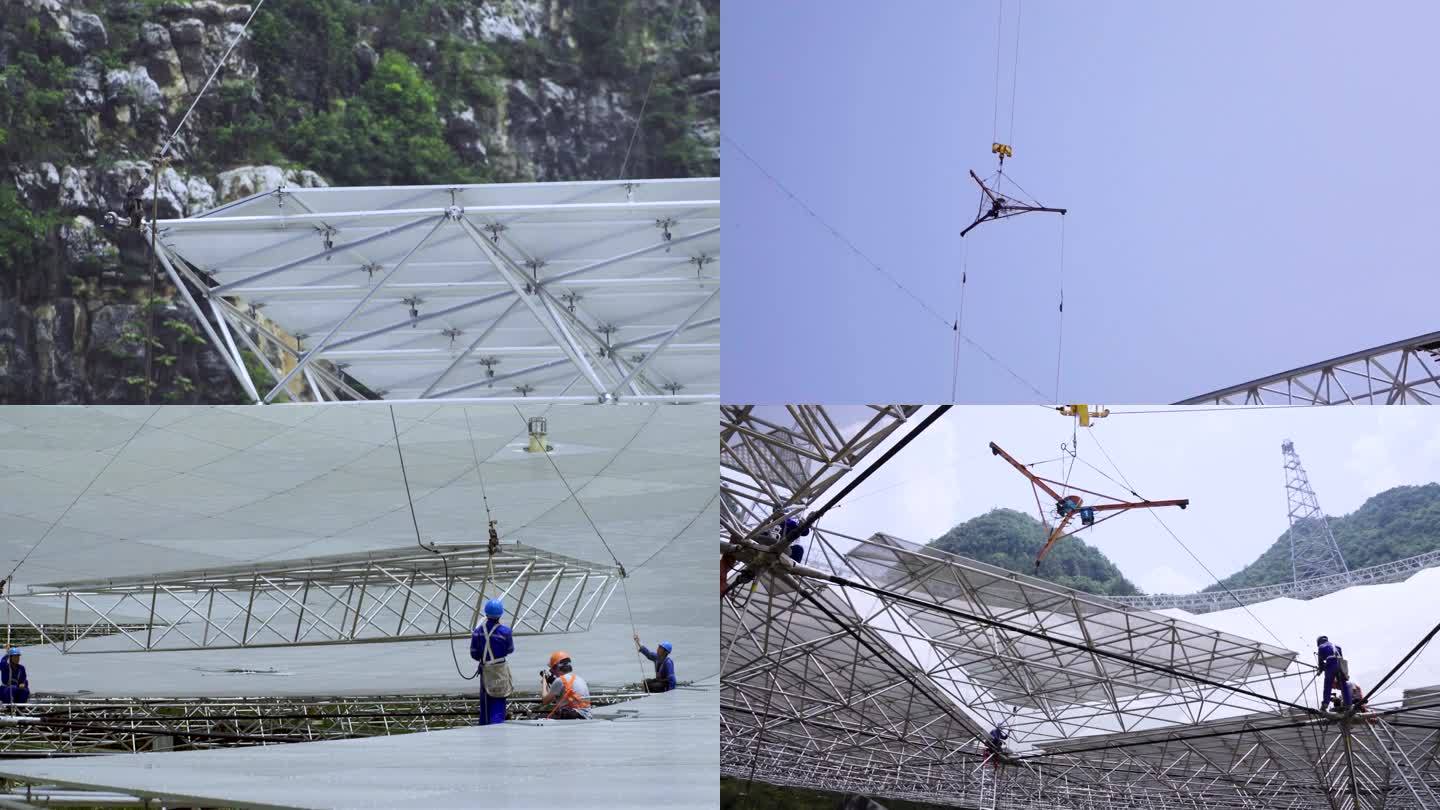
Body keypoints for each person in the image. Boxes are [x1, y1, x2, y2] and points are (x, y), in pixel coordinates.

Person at [469, 599, 513, 725]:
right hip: (500, 670)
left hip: (486, 670)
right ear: (500, 614)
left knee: (486, 704)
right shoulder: (506, 632)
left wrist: (484, 658)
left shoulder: (477, 632)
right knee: (499, 699)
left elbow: (473, 653)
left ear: (486, 613)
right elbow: (510, 649)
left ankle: (484, 728)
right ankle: (497, 728)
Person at [539, 651, 591, 720]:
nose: (552, 672)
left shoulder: (559, 681)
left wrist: (544, 682)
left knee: (538, 718)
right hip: (586, 715)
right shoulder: (579, 678)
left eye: (551, 670)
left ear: (555, 668)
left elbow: (545, 701)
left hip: (573, 715)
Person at [1317, 635, 1352, 712]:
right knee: (1343, 684)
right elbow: (1341, 657)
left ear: (1319, 642)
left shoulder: (1321, 647)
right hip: (1340, 664)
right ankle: (1349, 705)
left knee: (1328, 685)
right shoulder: (1337, 646)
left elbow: (1321, 663)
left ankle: (1325, 704)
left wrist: (1320, 670)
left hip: (1330, 663)